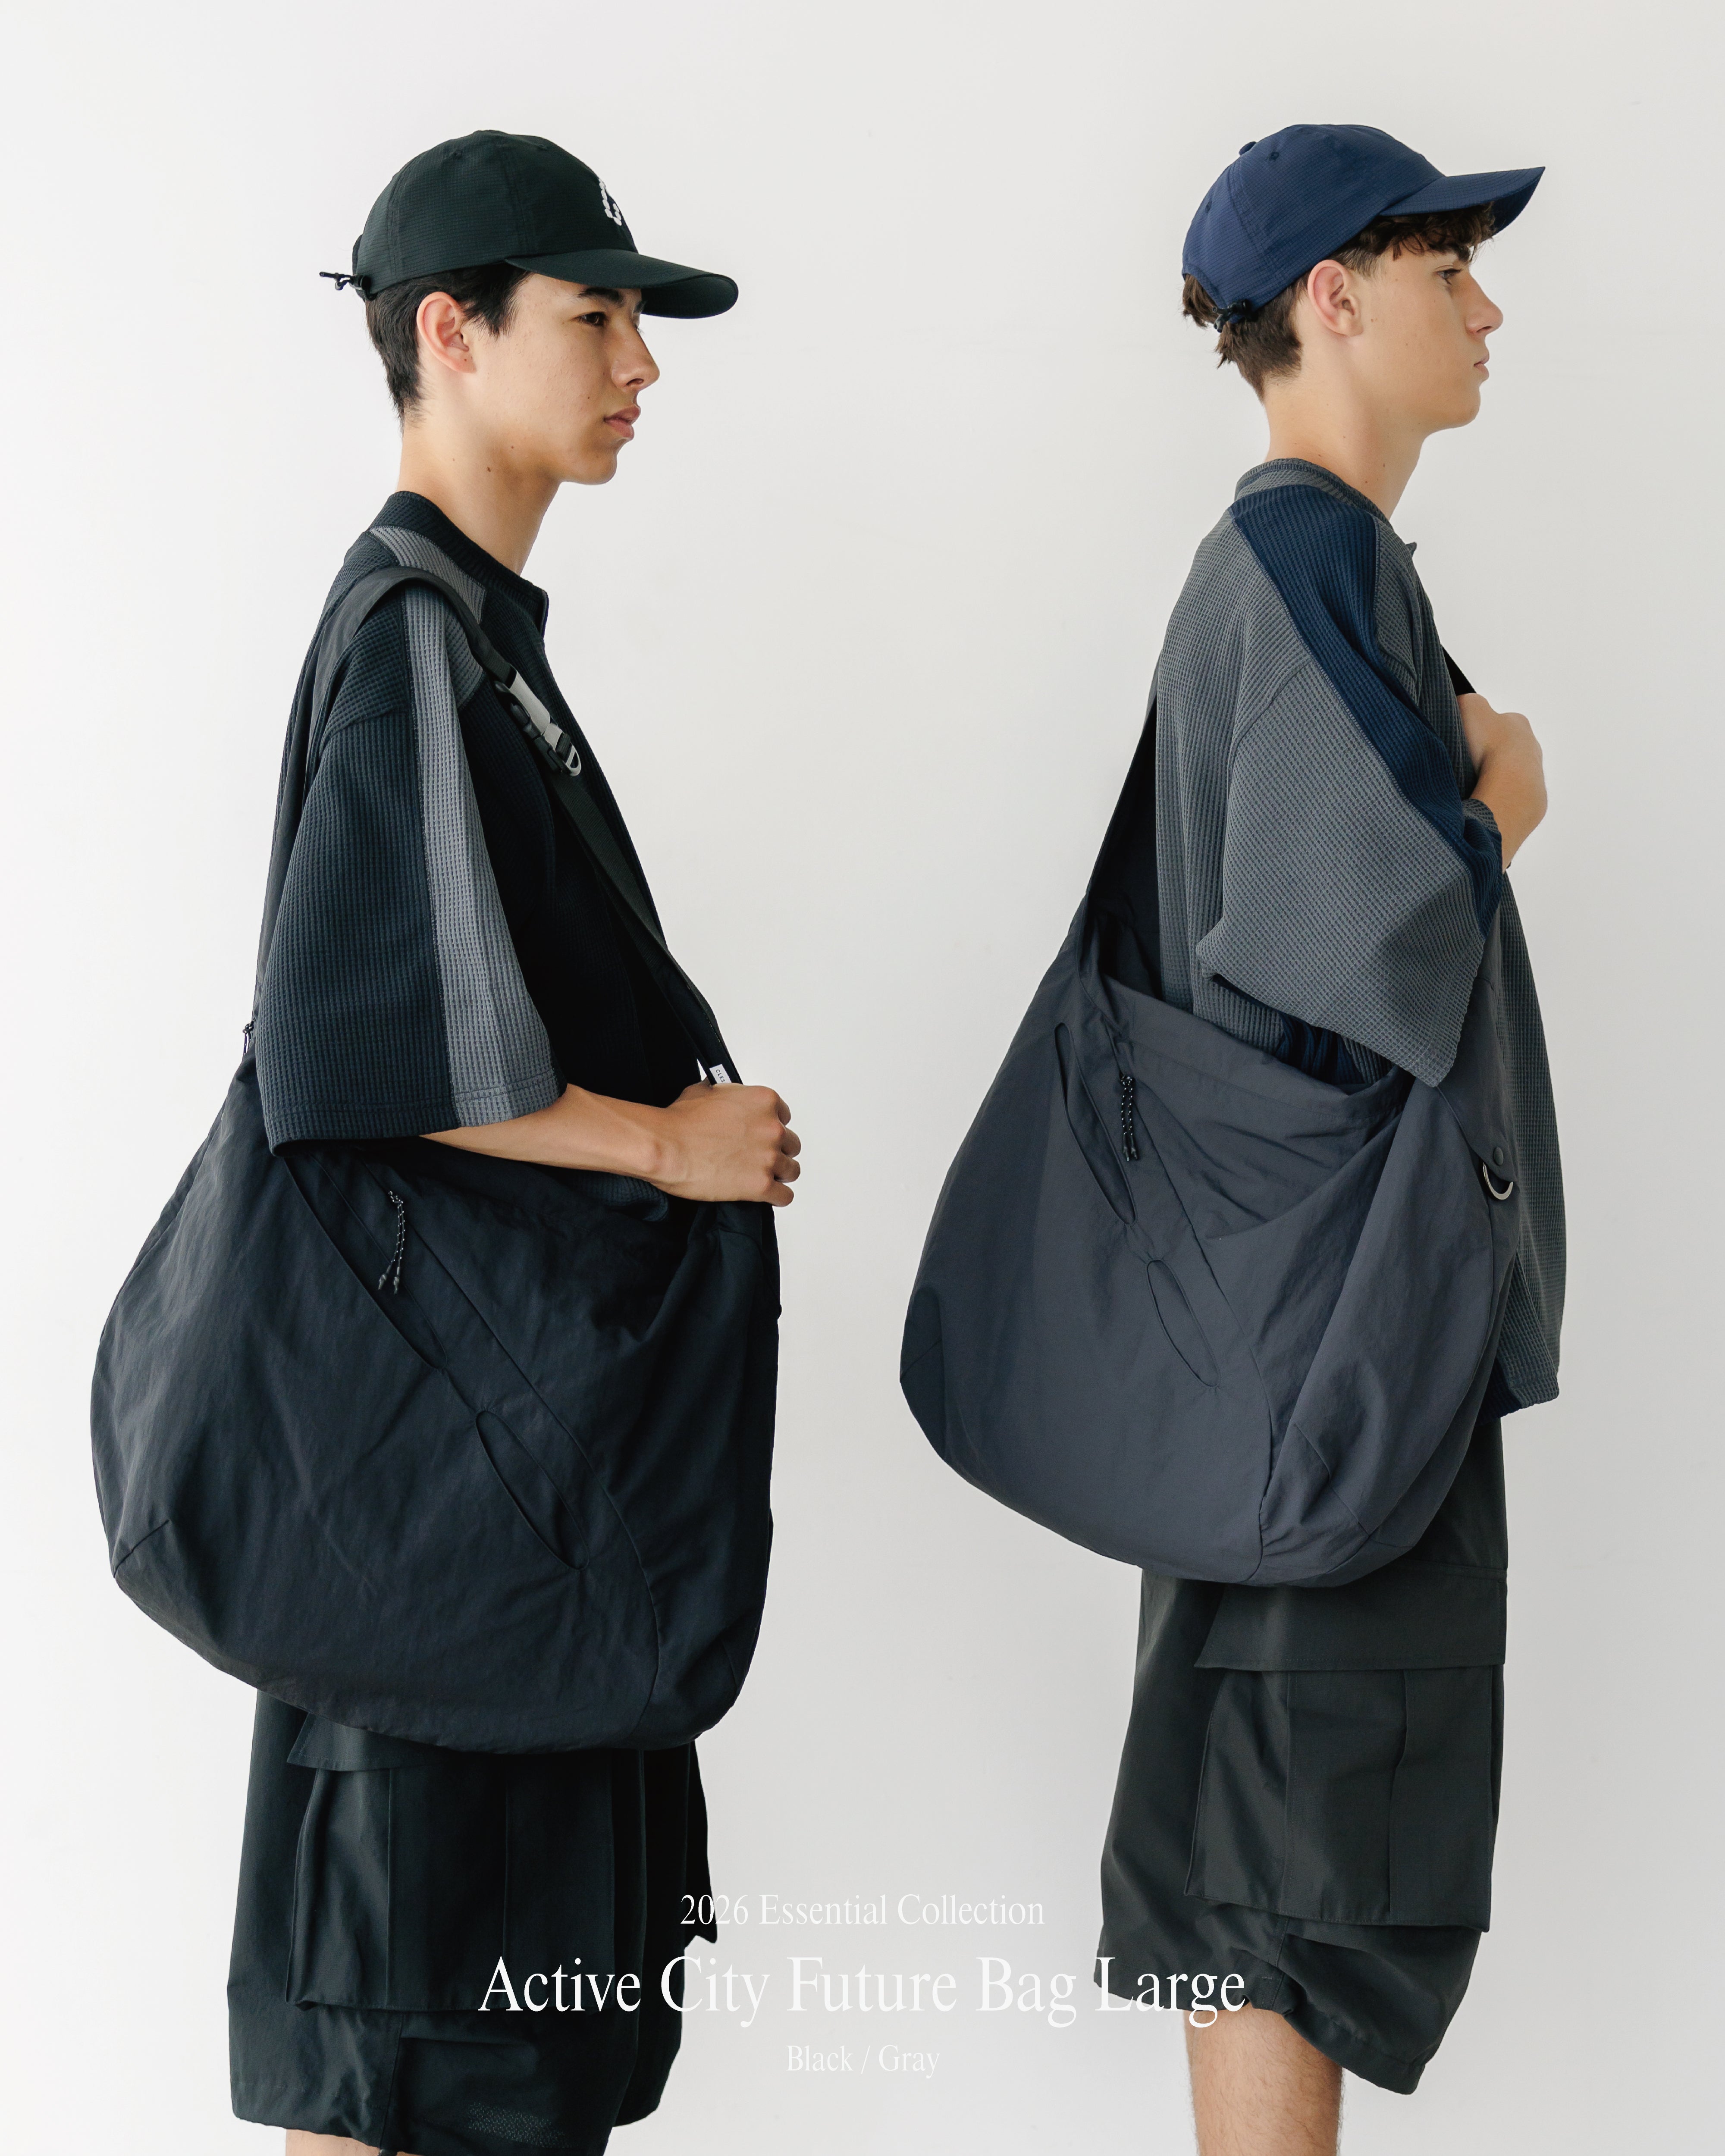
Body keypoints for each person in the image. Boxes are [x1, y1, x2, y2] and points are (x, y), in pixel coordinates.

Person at [226, 131, 800, 2156]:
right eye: (598, 314)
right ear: (450, 335)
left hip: (480, 1508)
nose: (641, 360)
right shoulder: (412, 632)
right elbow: (361, 1058)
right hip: (453, 1509)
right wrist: (668, 1145)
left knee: (461, 2050)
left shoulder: (467, 632)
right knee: (420, 2051)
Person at [1093, 127, 1564, 2152]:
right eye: (1450, 268)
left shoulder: (1300, 558)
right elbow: (1357, 940)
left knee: (1267, 1850)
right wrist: (1501, 802)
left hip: (1283, 1337)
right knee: (1289, 1864)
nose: (1488, 306)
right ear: (1334, 298)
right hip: (1336, 1346)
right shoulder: (1307, 559)